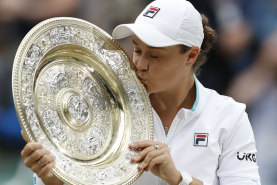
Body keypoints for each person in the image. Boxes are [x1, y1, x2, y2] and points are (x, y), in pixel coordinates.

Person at [21, 0, 261, 184]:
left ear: (191, 55)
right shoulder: (105, 111)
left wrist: (178, 179)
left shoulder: (230, 116)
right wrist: (52, 178)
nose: (140, 64)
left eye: (155, 56)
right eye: (137, 50)